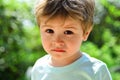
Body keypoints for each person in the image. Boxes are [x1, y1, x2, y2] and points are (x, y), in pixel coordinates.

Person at [31, 0, 112, 80]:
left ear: (86, 33)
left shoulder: (96, 71)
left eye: (68, 32)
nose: (57, 42)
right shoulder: (38, 68)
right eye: (49, 31)